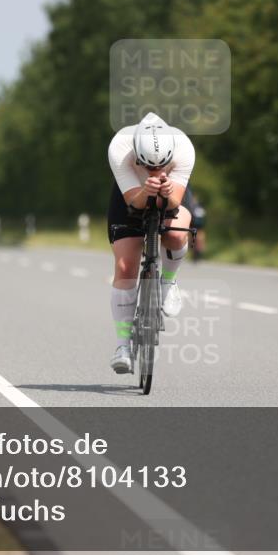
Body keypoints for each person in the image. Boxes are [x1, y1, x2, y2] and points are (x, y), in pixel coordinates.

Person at [107, 112, 195, 374]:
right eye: (148, 166)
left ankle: (168, 280)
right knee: (125, 266)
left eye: (160, 166)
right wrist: (146, 190)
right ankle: (122, 346)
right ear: (136, 155)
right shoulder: (120, 147)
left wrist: (166, 194)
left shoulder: (184, 147)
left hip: (171, 190)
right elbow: (134, 203)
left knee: (176, 235)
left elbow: (174, 203)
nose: (155, 172)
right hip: (131, 194)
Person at [181, 186, 207, 261]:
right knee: (194, 239)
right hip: (194, 226)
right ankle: (195, 250)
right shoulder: (197, 207)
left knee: (198, 239)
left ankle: (198, 250)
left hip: (198, 227)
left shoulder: (194, 206)